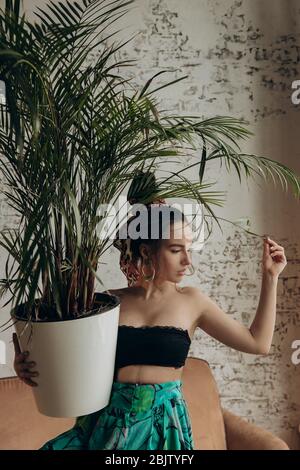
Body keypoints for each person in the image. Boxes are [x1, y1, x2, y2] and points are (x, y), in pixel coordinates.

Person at [13, 191, 287, 450]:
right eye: (176, 250)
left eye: (188, 249)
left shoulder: (192, 301)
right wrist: (27, 365)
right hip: (107, 426)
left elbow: (258, 342)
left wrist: (271, 277)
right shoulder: (106, 302)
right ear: (147, 251)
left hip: (164, 428)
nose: (187, 261)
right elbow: (64, 357)